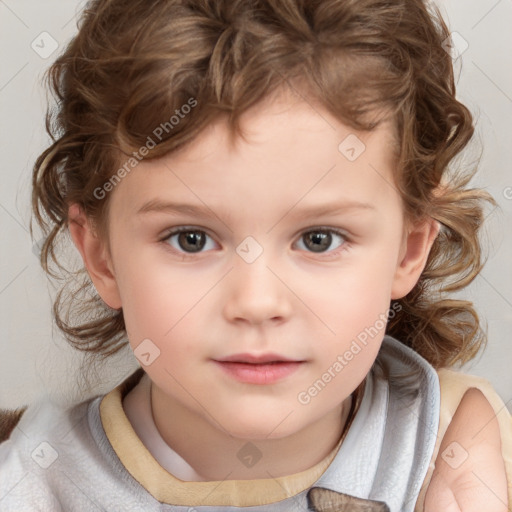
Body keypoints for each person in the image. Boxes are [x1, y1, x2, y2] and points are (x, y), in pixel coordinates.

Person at [0, 0, 510, 510]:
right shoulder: (29, 480)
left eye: (319, 239)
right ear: (101, 255)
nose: (257, 302)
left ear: (409, 250)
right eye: (191, 239)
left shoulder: (457, 451)